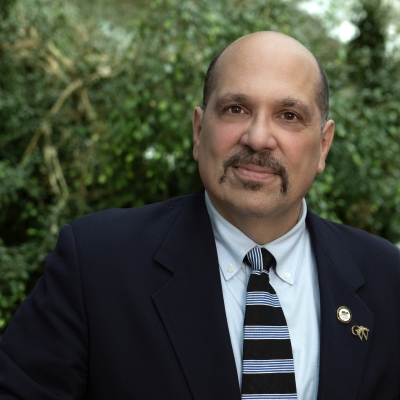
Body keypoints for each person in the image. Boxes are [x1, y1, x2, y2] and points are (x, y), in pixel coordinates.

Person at [0, 31, 399, 400]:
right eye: (236, 108)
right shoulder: (95, 262)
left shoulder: (389, 280)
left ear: (324, 146)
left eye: (289, 115)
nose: (258, 137)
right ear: (198, 130)